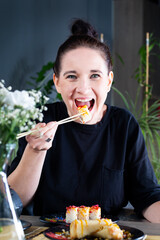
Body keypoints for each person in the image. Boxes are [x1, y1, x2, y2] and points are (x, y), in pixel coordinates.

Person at [8, 19, 160, 223]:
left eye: (95, 75)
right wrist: (35, 151)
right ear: (57, 82)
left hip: (106, 235)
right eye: (72, 76)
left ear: (108, 81)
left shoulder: (123, 125)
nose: (83, 88)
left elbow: (148, 196)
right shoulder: (41, 119)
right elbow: (13, 201)